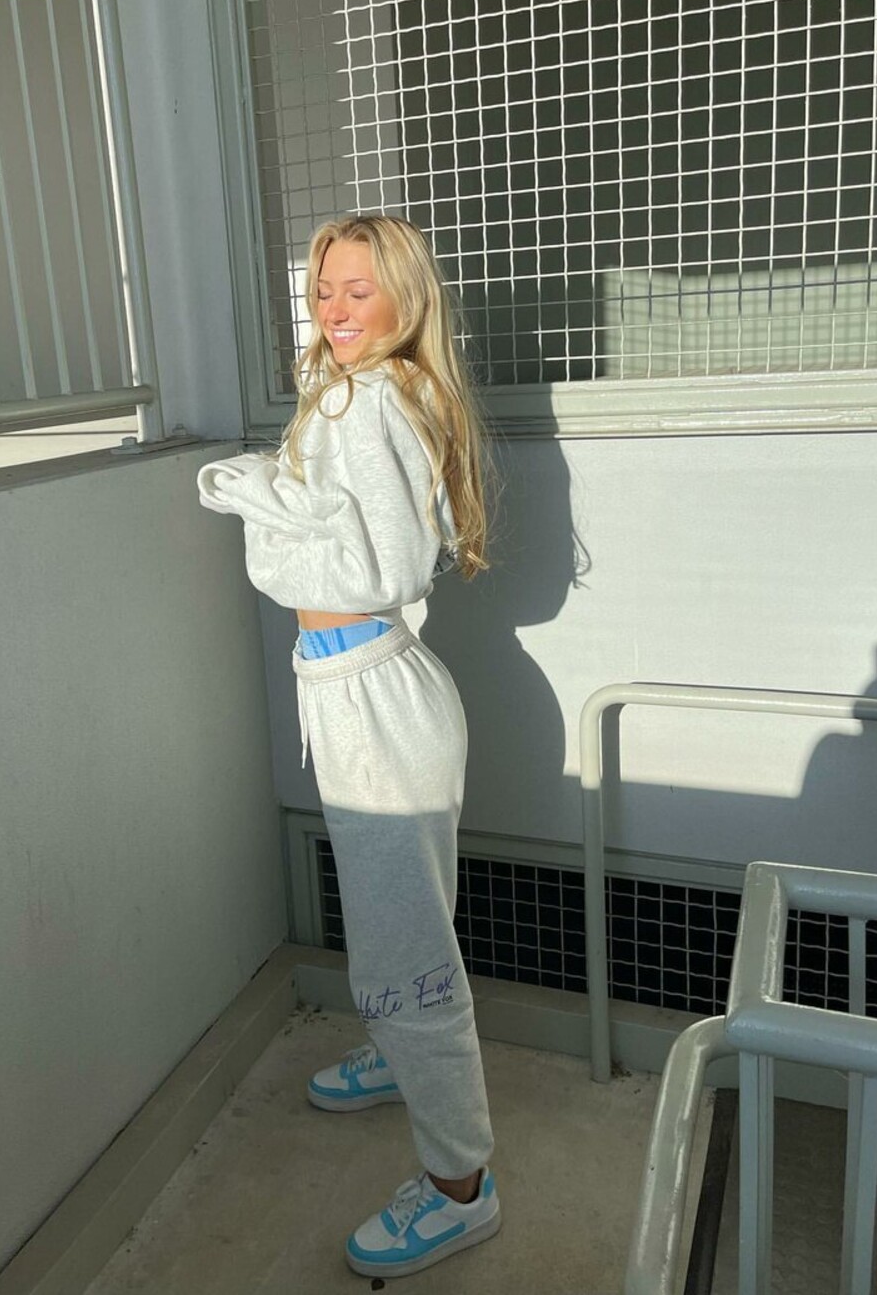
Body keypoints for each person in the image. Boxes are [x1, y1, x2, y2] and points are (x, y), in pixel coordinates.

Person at [197, 213, 499, 1278]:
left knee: (409, 950)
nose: (333, 309)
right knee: (401, 925)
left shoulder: (372, 398)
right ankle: (395, 1051)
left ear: (404, 297)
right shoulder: (370, 390)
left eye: (357, 290)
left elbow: (387, 568)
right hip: (363, 692)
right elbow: (364, 539)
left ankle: (461, 1185)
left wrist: (257, 495)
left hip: (374, 699)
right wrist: (284, 495)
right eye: (323, 289)